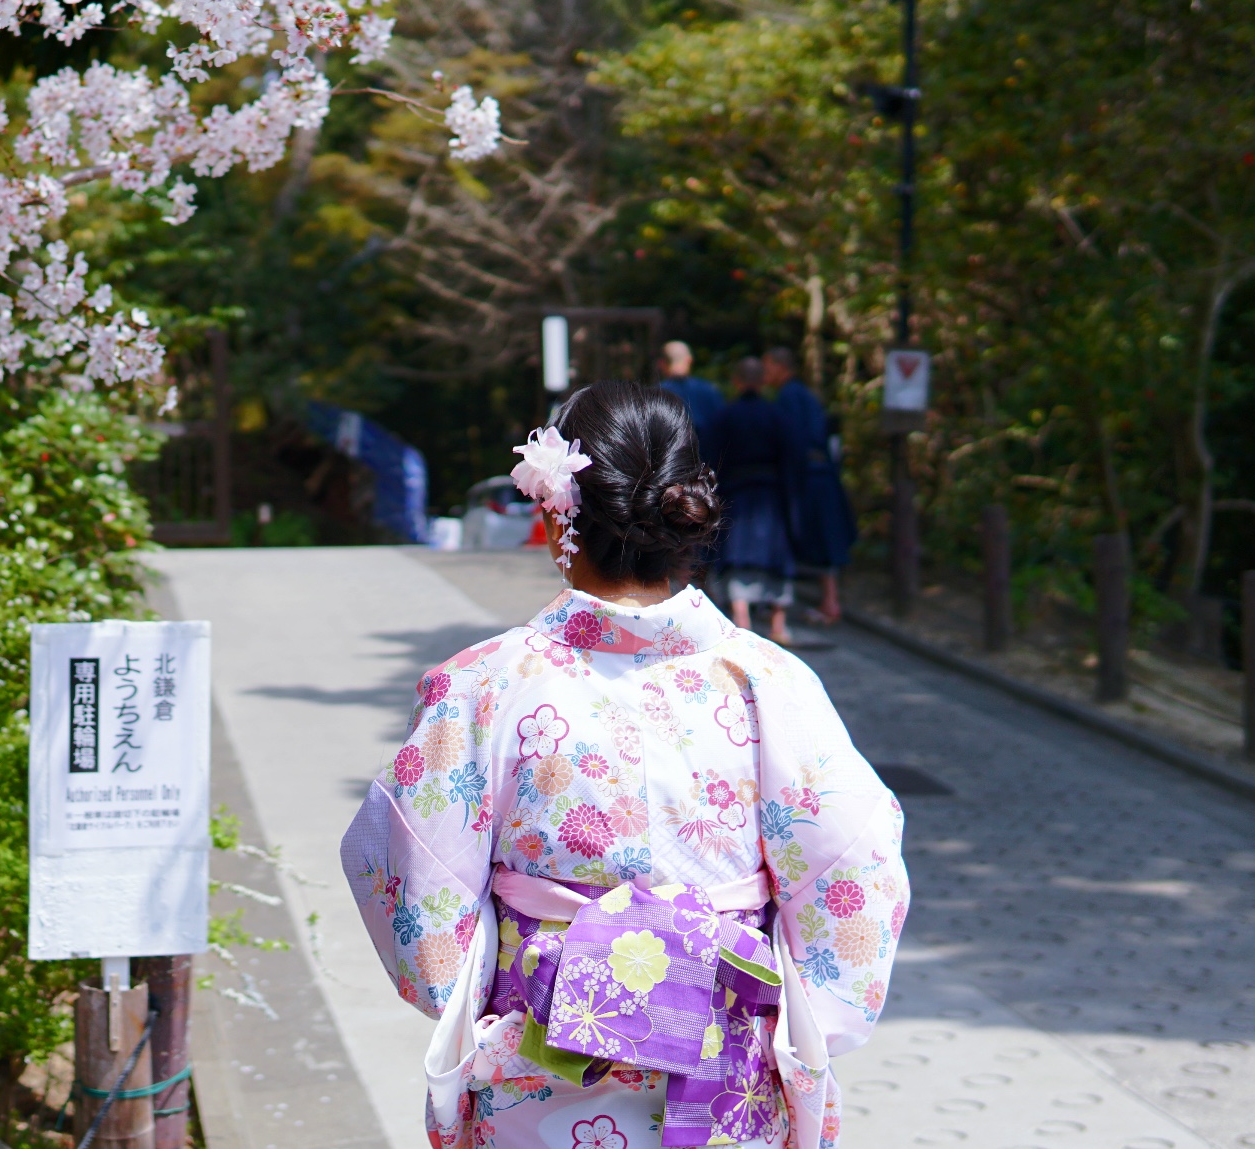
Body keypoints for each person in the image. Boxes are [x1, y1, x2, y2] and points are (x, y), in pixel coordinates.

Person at [339, 381, 908, 1149]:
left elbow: (411, 874)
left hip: (536, 1056)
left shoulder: (484, 683)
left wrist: (469, 991)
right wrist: (813, 1019)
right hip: (725, 1063)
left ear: (554, 515)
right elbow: (855, 867)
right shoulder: (769, 684)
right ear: (685, 518)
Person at [765, 347, 859, 625]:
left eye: (768, 366)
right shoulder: (802, 394)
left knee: (822, 536)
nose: (765, 374)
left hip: (810, 475)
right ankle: (829, 601)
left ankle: (830, 603)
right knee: (824, 535)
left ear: (780, 367)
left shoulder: (790, 396)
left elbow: (794, 439)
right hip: (821, 472)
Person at [711, 357, 795, 644]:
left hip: (736, 492)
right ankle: (778, 623)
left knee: (736, 553)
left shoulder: (725, 416)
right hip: (771, 494)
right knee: (776, 555)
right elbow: (791, 459)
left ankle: (741, 618)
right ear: (762, 381)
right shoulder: (778, 416)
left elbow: (713, 458)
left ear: (736, 381)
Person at [657, 339, 724, 461]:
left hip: (670, 468)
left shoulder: (656, 395)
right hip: (706, 466)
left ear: (661, 363)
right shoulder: (710, 392)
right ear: (689, 360)